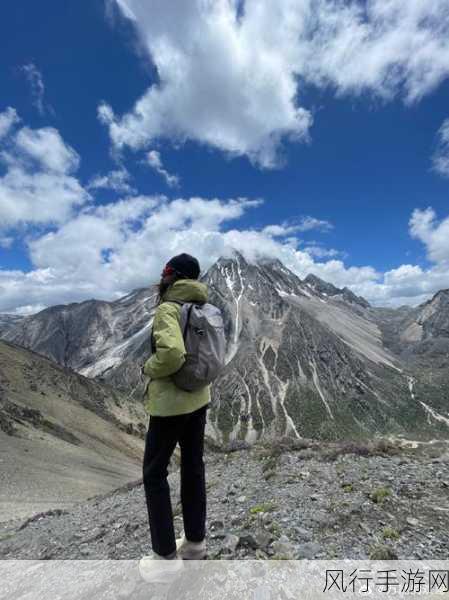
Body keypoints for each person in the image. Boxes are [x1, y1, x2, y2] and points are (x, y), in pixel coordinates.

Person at [139, 253, 210, 582]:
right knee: (193, 467)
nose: (161, 275)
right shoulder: (206, 307)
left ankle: (165, 558)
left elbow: (171, 354)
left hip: (169, 405)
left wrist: (147, 368)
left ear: (172, 276)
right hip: (199, 399)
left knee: (154, 474)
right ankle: (195, 545)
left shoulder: (168, 308)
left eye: (165, 270)